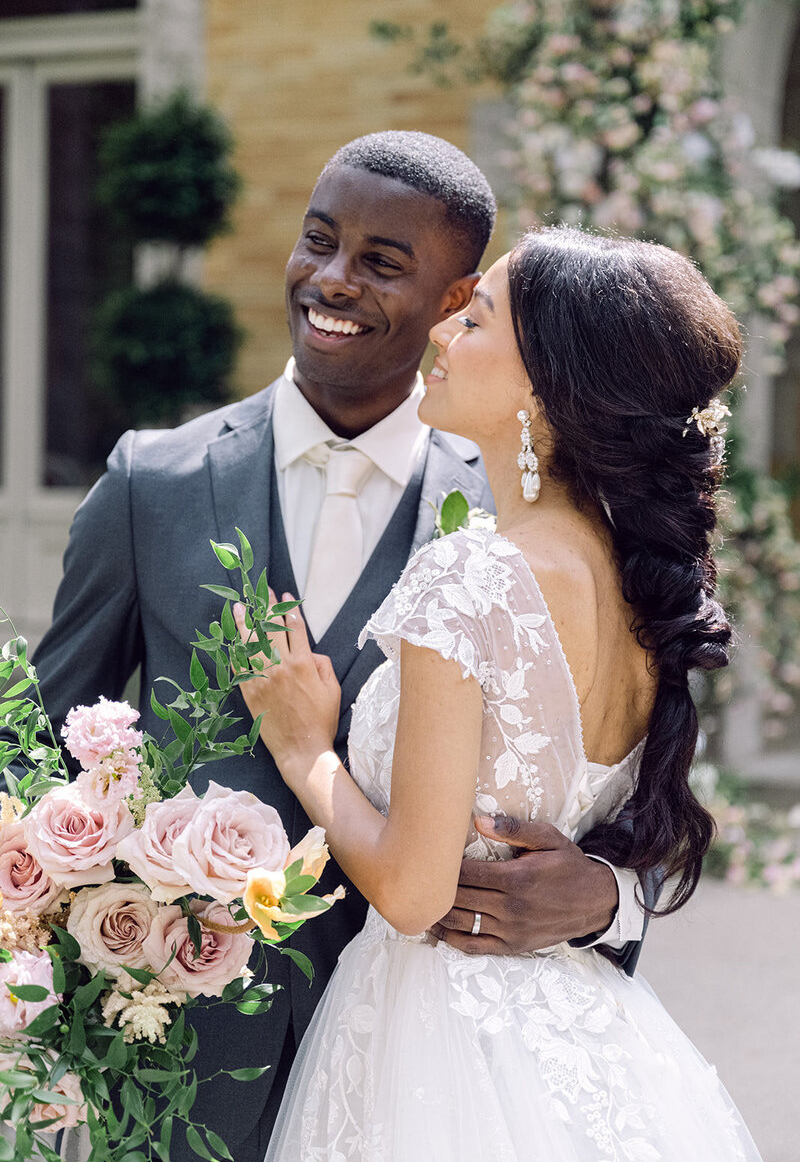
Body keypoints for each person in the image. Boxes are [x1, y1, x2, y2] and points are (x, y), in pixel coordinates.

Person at [33, 134, 643, 1161]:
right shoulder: (153, 483)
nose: (329, 280)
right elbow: (46, 749)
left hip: (423, 1069)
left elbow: (623, 762)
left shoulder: (516, 512)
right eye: (317, 242)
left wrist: (609, 898)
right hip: (170, 1064)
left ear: (456, 303)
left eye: (379, 262)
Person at [234, 226, 763, 1161]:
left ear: (545, 387)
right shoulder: (633, 580)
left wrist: (305, 751)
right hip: (585, 1033)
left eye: (475, 321)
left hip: (434, 1037)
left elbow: (411, 889)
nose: (441, 335)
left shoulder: (473, 573)